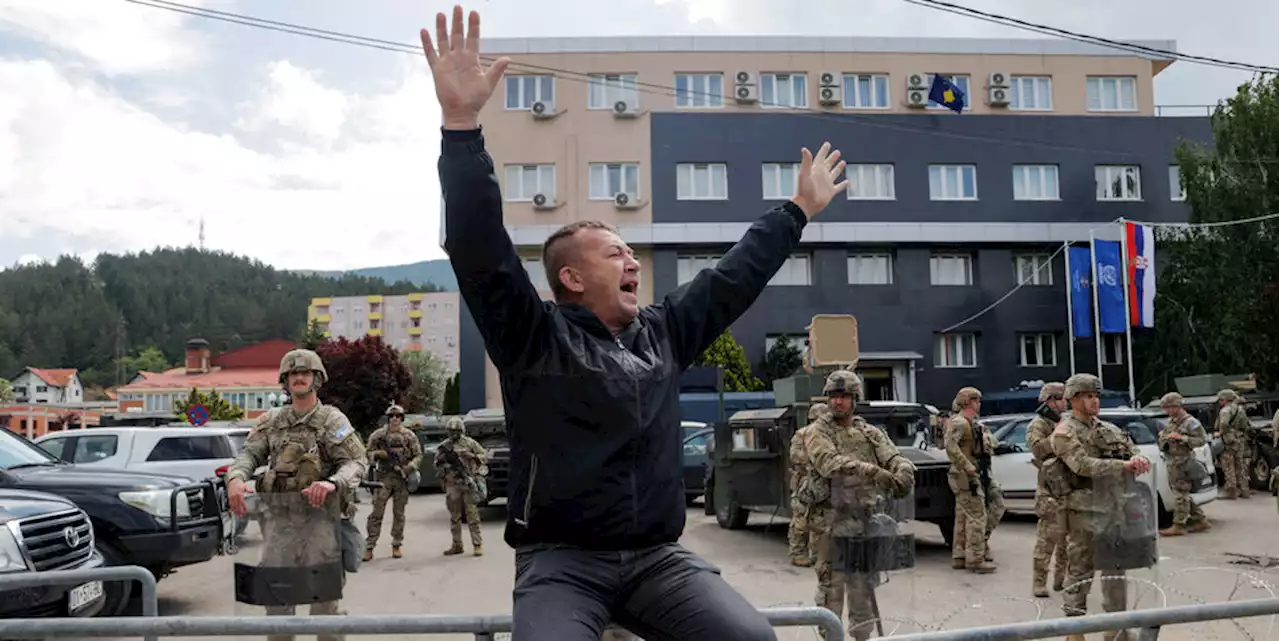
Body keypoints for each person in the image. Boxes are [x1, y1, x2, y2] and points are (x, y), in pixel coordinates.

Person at [421, 6, 849, 639]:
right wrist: (461, 127)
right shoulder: (530, 335)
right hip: (561, 562)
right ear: (570, 278)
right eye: (613, 252)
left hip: (658, 559)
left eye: (629, 250)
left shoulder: (664, 333)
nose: (631, 260)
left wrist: (798, 210)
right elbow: (479, 245)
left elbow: (732, 278)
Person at [224, 349, 368, 641]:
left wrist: (332, 483)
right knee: (277, 605)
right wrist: (236, 478)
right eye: (292, 374)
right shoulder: (271, 421)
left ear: (317, 379)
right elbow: (249, 454)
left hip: (321, 523)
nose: (298, 378)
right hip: (279, 525)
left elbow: (357, 462)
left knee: (324, 606)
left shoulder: (331, 420)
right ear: (284, 380)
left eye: (305, 373)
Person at [797, 371, 914, 641]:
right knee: (832, 592)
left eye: (844, 396)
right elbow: (829, 463)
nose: (838, 402)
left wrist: (903, 469)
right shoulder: (817, 432)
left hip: (863, 524)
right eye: (833, 396)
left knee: (862, 590)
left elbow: (892, 455)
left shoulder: (868, 432)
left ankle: (863, 637)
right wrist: (873, 472)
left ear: (855, 399)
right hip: (830, 525)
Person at [1051, 373, 1153, 638]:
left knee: (1115, 571)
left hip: (1113, 510)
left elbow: (1131, 448)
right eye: (1088, 396)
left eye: (1096, 395)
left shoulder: (1108, 429)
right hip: (1083, 512)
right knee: (1080, 572)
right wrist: (1123, 466)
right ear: (1074, 399)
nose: (1094, 400)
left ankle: (1117, 629)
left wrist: (1139, 459)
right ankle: (1074, 631)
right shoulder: (1064, 432)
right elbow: (1082, 465)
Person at [944, 387, 1002, 573]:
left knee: (964, 515)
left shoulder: (974, 423)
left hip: (976, 473)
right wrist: (966, 465)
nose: (979, 404)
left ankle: (960, 555)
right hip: (966, 475)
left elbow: (992, 443)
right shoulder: (959, 422)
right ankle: (976, 559)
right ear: (969, 402)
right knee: (977, 515)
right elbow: (950, 446)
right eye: (977, 401)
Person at [363, 403, 423, 560]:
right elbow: (367, 452)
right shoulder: (379, 436)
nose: (394, 419)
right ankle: (369, 546)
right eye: (391, 416)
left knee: (399, 514)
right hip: (383, 477)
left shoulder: (409, 436)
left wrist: (409, 467)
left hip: (401, 478)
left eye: (397, 417)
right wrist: (378, 454)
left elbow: (418, 455)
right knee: (376, 512)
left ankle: (397, 544)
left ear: (402, 419)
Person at [1026, 382, 1068, 597]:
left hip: (1069, 487)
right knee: (1047, 538)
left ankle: (1062, 580)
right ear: (1050, 401)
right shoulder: (1039, 424)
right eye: (1061, 398)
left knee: (1068, 540)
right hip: (1049, 489)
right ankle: (1039, 582)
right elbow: (1037, 449)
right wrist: (1058, 436)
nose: (1065, 402)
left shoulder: (1066, 421)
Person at [1156, 393, 1211, 535]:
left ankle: (1178, 525)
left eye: (1168, 408)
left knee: (1180, 494)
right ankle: (1200, 519)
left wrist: (1182, 438)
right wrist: (1164, 436)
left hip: (1183, 461)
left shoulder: (1190, 422)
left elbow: (1201, 440)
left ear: (1176, 406)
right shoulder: (1174, 421)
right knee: (1181, 493)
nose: (1166, 412)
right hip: (1173, 461)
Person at [435, 415, 488, 556]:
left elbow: (484, 456)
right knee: (454, 516)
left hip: (468, 482)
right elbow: (437, 464)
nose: (454, 434)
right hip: (453, 484)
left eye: (456, 431)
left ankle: (477, 544)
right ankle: (457, 544)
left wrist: (472, 456)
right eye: (451, 431)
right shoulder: (444, 446)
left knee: (472, 514)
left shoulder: (470, 443)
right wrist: (446, 467)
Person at [788, 402, 830, 567]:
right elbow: (795, 456)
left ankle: (817, 553)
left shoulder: (830, 435)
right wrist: (815, 462)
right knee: (801, 518)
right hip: (806, 481)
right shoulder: (802, 435)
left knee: (821, 520)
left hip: (825, 482)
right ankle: (797, 553)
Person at [1214, 388, 1252, 499]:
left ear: (1225, 400)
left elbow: (1224, 423)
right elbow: (1245, 425)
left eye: (1221, 400)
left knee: (1228, 466)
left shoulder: (1225, 411)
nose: (1220, 402)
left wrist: (1220, 432)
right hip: (1240, 440)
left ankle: (1231, 492)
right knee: (1240, 465)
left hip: (1229, 441)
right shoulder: (1240, 410)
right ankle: (1244, 490)